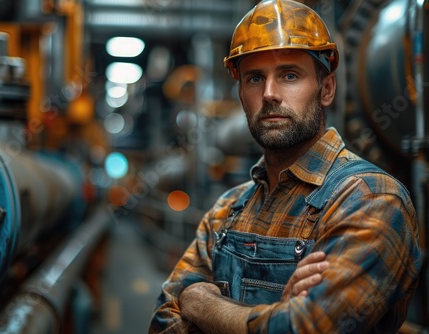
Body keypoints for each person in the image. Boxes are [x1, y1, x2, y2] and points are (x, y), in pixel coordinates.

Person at [148, 0, 422, 333]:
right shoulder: (226, 210)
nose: (269, 94)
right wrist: (275, 314)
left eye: (289, 75)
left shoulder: (370, 199)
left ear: (327, 89)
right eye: (253, 78)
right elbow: (164, 322)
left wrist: (201, 303)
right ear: (240, 94)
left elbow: (302, 328)